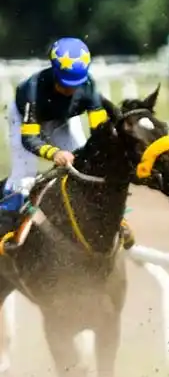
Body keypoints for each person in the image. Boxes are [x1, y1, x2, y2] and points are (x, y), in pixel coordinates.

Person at [2, 37, 134, 247]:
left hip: (63, 120)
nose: (71, 90)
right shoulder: (33, 90)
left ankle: (118, 219)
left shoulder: (88, 85)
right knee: (24, 178)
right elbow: (29, 139)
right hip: (25, 121)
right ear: (54, 72)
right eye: (65, 84)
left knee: (85, 169)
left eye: (76, 84)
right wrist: (54, 153)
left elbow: (99, 134)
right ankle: (7, 227)